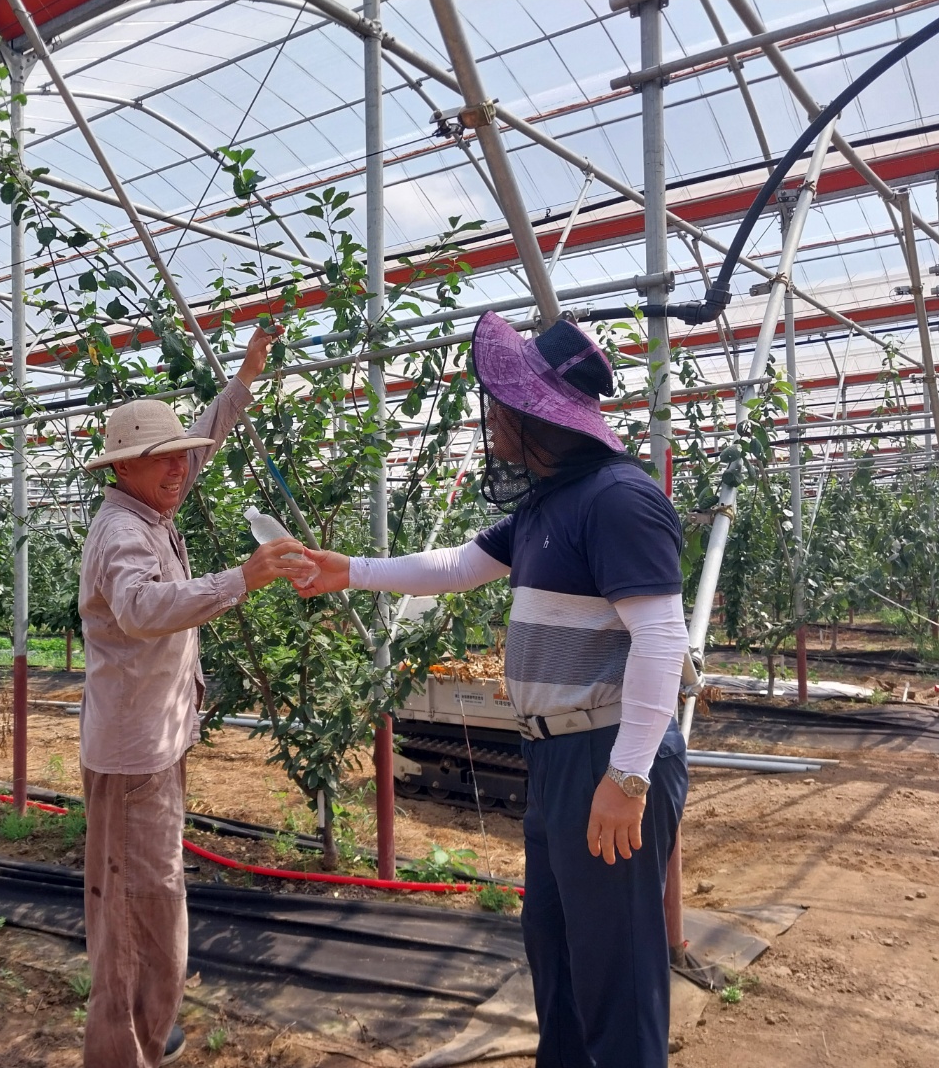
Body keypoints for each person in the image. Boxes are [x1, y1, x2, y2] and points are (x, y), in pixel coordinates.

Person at [299, 311, 690, 1068]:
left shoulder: (618, 499)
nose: (492, 415)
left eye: (500, 400)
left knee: (618, 979)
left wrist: (629, 774)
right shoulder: (548, 503)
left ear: (533, 413)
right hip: (555, 758)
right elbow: (452, 566)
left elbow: (662, 638)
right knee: (559, 958)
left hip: (604, 755)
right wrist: (348, 568)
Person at [77, 324, 315, 1068]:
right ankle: (124, 1049)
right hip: (131, 754)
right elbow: (143, 610)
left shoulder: (153, 508)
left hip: (156, 741)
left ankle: (153, 1020)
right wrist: (240, 578)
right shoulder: (122, 532)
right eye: (164, 460)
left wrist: (243, 377)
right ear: (126, 469)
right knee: (133, 907)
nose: (181, 468)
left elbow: (201, 444)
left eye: (182, 456)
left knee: (155, 895)